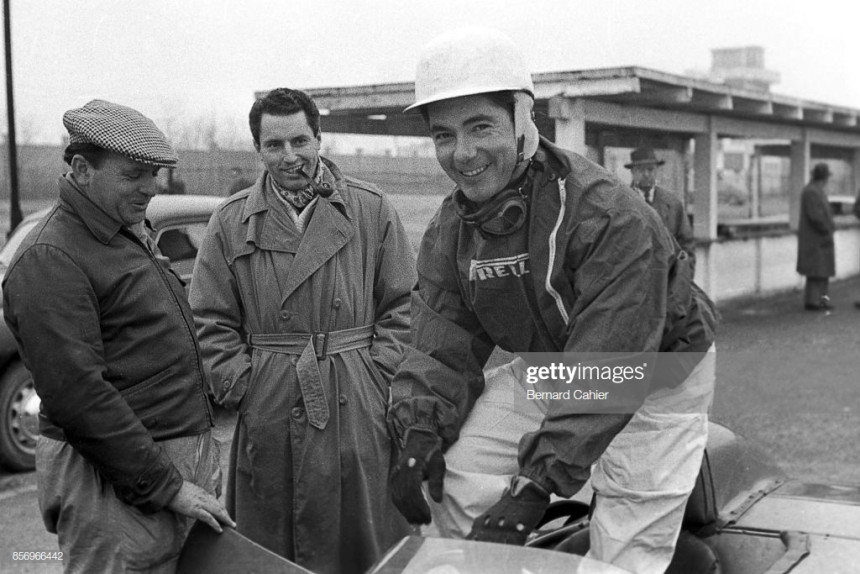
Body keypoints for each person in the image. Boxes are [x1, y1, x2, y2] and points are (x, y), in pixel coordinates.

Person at [386, 27, 717, 574]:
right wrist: (420, 425)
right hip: (555, 368)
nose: (462, 153)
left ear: (523, 119)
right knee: (455, 478)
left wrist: (537, 484)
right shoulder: (453, 224)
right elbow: (440, 337)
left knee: (624, 551)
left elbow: (611, 364)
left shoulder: (607, 214)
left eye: (480, 126)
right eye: (444, 135)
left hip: (658, 371)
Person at [1, 99, 234, 573]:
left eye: (154, 174)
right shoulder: (52, 257)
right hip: (114, 487)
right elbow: (80, 398)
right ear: (82, 170)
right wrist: (167, 486)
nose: (151, 187)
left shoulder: (121, 232)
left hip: (151, 476)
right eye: (133, 175)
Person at [189, 87, 416, 574]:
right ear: (258, 150)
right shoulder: (231, 222)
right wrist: (245, 385)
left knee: (362, 540)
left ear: (319, 139)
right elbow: (209, 319)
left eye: (299, 141)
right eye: (274, 146)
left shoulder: (370, 208)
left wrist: (379, 378)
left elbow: (404, 304)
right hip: (272, 398)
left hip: (354, 396)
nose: (289, 156)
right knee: (274, 545)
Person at [626, 147, 696, 270]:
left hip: (666, 281)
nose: (646, 174)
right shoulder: (621, 204)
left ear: (657, 171)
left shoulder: (673, 205)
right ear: (632, 172)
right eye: (641, 170)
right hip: (632, 282)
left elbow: (687, 246)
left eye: (650, 169)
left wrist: (681, 280)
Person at [797, 163, 836, 311]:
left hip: (821, 239)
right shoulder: (811, 192)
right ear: (823, 177)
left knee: (823, 274)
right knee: (816, 274)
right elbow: (816, 216)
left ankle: (822, 301)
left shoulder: (817, 190)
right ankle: (813, 302)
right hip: (816, 239)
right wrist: (827, 229)